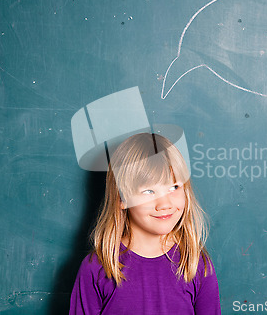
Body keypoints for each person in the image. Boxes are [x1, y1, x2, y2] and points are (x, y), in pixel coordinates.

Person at [70, 133, 221, 314]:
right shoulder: (97, 268)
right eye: (149, 191)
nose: (164, 204)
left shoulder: (196, 264)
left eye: (174, 187)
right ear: (122, 198)